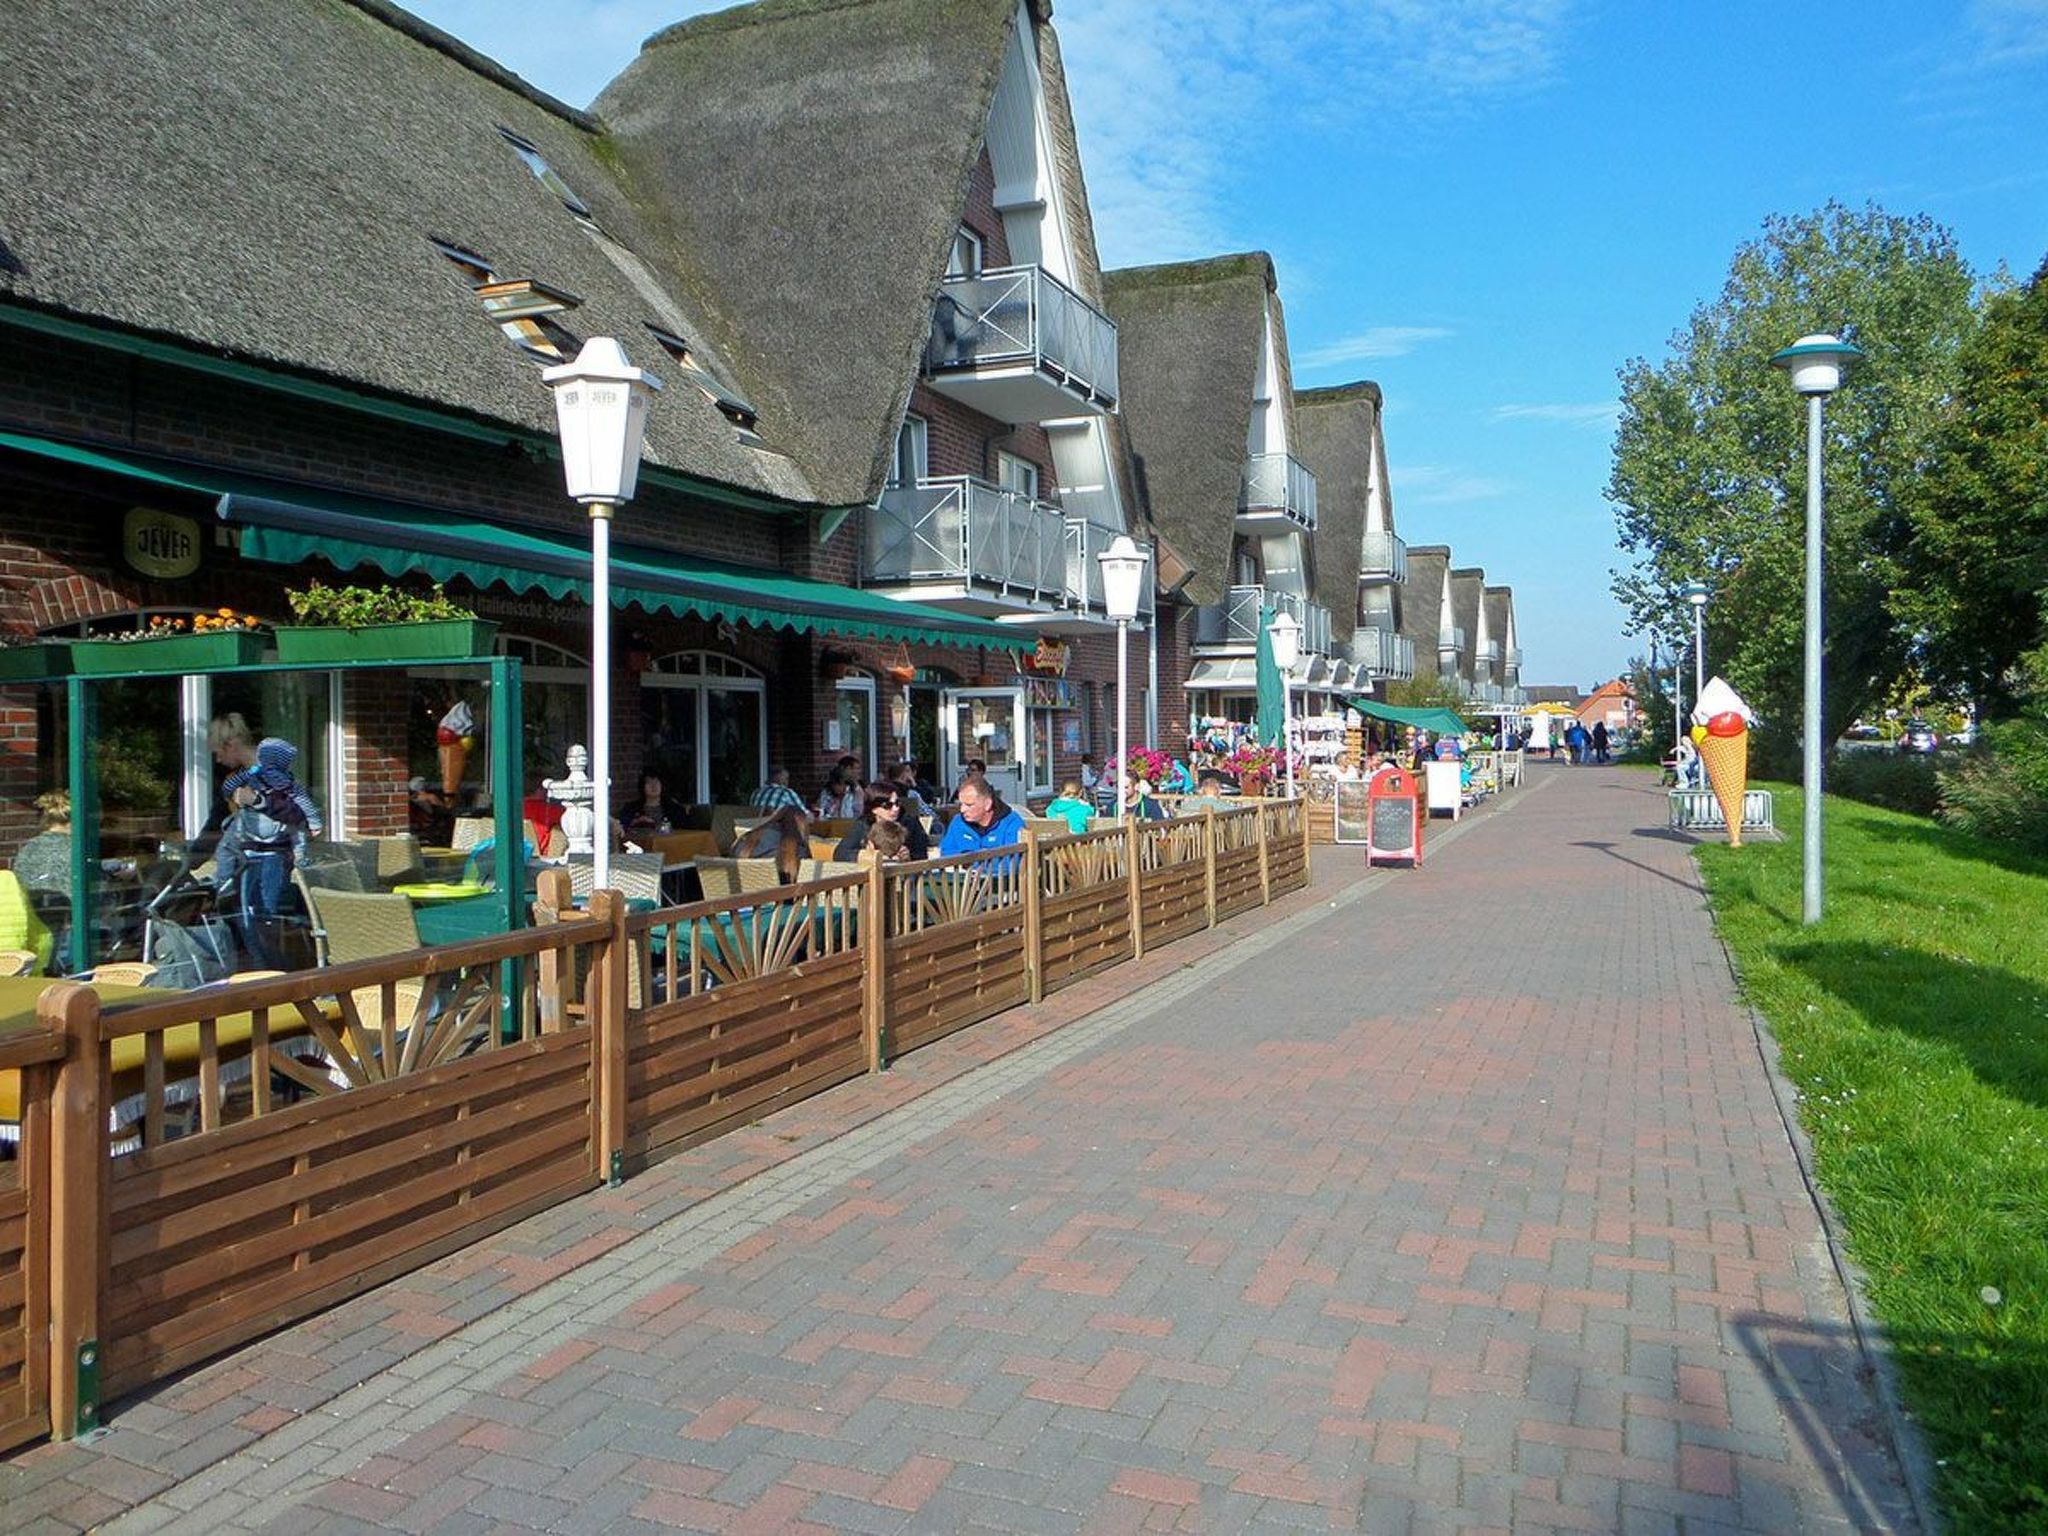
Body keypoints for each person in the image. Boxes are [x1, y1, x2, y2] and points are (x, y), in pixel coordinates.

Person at [214, 737, 321, 970]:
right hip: (246, 857)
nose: (218, 759)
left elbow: (298, 818)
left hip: (273, 857)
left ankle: (271, 969)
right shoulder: (241, 782)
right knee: (246, 916)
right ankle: (262, 966)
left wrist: (300, 858)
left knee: (264, 918)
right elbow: (229, 831)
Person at [833, 781, 930, 861]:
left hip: (904, 875)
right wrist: (869, 855)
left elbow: (922, 854)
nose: (895, 809)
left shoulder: (909, 822)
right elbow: (840, 853)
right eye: (888, 805)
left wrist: (909, 856)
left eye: (897, 803)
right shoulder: (864, 824)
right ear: (874, 808)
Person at [938, 773, 1025, 854]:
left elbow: (1012, 860)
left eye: (969, 805)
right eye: (961, 804)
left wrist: (973, 860)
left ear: (987, 804)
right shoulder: (958, 822)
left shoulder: (1011, 823)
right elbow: (946, 853)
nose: (962, 810)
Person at [732, 804, 810, 884]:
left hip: (740, 889)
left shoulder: (745, 841)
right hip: (776, 891)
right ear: (802, 826)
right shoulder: (797, 853)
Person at [617, 771, 684, 839]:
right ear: (643, 787)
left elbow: (682, 828)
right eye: (649, 782)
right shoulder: (631, 808)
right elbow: (621, 826)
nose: (653, 786)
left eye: (656, 782)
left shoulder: (673, 808)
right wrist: (636, 821)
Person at [407, 777, 453, 846]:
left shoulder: (411, 800)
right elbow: (443, 809)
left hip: (419, 824)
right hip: (432, 823)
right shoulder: (430, 797)